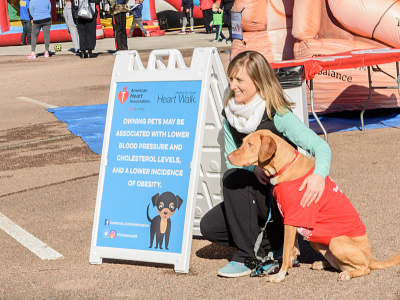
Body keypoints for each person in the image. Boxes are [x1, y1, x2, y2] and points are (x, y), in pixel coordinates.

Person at [199, 51, 331, 278]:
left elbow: (321, 147)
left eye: (239, 80)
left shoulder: (277, 113)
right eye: (231, 79)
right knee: (209, 226)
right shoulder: (230, 113)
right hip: (252, 196)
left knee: (234, 179)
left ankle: (247, 256)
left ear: (258, 82)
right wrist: (254, 168)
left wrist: (318, 176)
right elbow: (230, 158)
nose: (233, 85)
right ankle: (274, 246)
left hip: (280, 197)